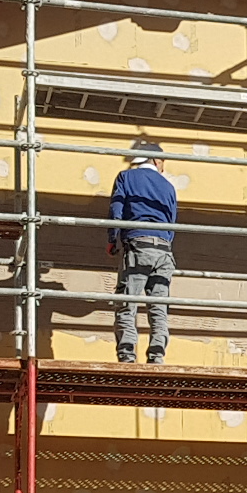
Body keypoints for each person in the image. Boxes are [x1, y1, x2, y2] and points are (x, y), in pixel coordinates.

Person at [108, 140, 176, 365]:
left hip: (138, 246)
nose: (163, 165)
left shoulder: (126, 177)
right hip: (163, 250)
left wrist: (112, 239)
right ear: (156, 160)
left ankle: (127, 355)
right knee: (158, 308)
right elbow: (172, 222)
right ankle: (157, 356)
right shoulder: (168, 187)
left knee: (127, 303)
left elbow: (116, 211)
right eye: (163, 161)